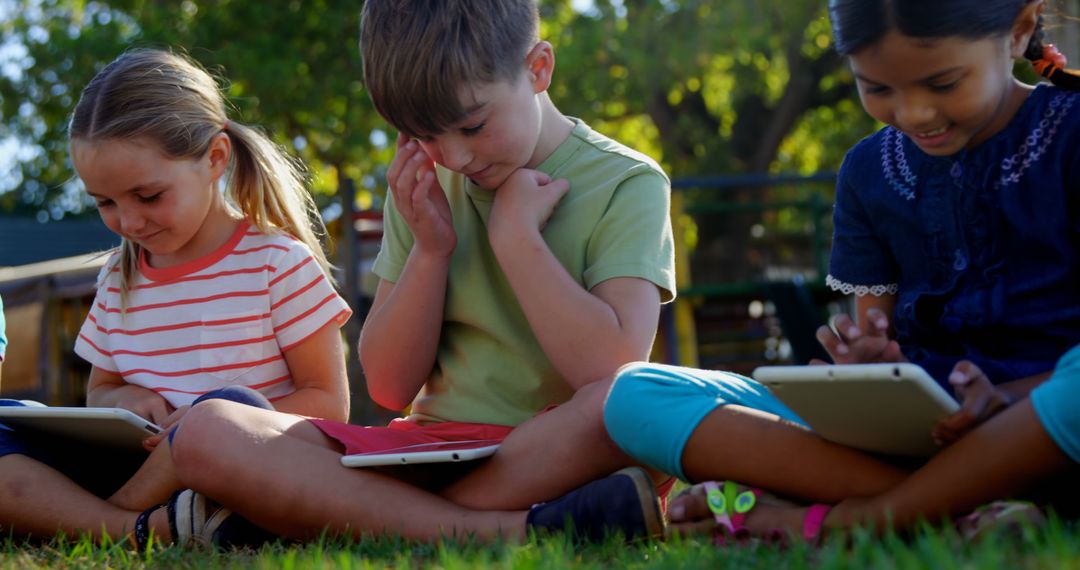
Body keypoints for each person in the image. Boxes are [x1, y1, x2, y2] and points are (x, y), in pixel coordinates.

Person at [167, 0, 676, 546]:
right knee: (206, 429)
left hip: (552, 450)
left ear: (538, 69)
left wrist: (517, 241)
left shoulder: (627, 182)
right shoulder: (424, 185)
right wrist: (430, 251)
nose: (453, 156)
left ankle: (338, 512)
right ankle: (512, 530)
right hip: (429, 453)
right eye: (423, 136)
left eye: (472, 125)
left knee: (629, 405)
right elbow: (389, 385)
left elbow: (609, 371)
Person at [603, 0, 1080, 542]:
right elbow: (878, 337)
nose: (915, 113)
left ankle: (856, 510)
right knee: (637, 396)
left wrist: (1012, 403)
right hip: (918, 432)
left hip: (1052, 424)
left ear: (1018, 31)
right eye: (878, 89)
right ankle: (964, 510)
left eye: (944, 83)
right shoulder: (867, 169)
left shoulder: (1072, 131)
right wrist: (868, 364)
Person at [0, 48, 352, 547]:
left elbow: (330, 407)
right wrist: (127, 398)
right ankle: (144, 527)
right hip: (135, 466)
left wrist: (214, 422)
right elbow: (99, 392)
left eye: (148, 196)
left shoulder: (278, 263)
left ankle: (101, 520)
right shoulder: (117, 278)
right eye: (105, 203)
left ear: (214, 158)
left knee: (227, 405)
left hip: (238, 467)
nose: (129, 222)